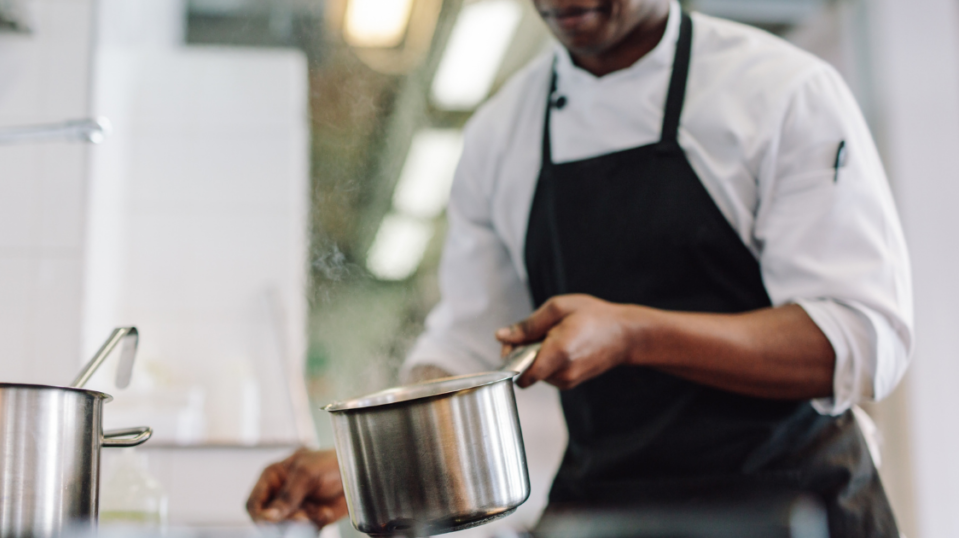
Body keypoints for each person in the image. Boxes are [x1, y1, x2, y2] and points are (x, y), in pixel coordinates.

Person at [247, 0, 912, 536]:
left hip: (792, 505)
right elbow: (469, 344)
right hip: (608, 512)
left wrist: (633, 336)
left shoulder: (780, 93)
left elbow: (852, 342)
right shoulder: (501, 132)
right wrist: (374, 468)